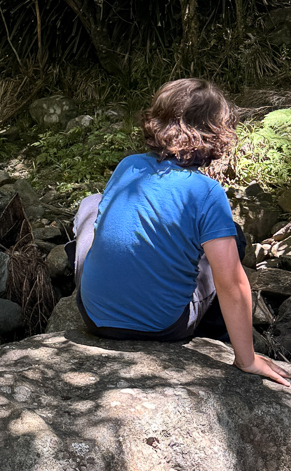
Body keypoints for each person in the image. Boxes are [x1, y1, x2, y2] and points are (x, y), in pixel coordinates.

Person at [70, 77, 289, 386]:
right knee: (232, 239)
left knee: (92, 204)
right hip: (162, 326)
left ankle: (106, 285)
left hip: (94, 316)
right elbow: (231, 282)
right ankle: (217, 333)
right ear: (215, 133)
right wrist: (248, 359)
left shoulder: (128, 166)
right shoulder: (206, 192)